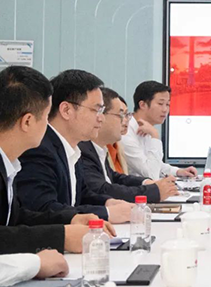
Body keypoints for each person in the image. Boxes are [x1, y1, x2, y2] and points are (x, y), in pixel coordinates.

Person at [0, 66, 115, 286]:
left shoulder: (9, 163)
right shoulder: (36, 153)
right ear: (27, 121)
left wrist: (70, 221)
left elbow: (17, 218)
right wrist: (55, 243)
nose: (48, 126)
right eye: (45, 117)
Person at [16, 70, 133, 223]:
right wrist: (107, 213)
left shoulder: (72, 148)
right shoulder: (39, 149)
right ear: (66, 110)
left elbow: (81, 195)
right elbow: (43, 208)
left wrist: (107, 202)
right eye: (96, 110)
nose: (101, 118)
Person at [79, 87, 179, 203]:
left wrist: (146, 182)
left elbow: (114, 177)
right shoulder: (83, 151)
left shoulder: (98, 149)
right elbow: (102, 189)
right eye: (121, 115)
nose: (125, 121)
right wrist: (153, 191)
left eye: (126, 115)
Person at [121, 81, 197, 180]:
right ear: (142, 105)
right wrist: (155, 135)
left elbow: (155, 163)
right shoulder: (126, 132)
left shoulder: (145, 127)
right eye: (160, 104)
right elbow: (151, 174)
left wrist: (178, 171)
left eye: (168, 104)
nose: (165, 110)